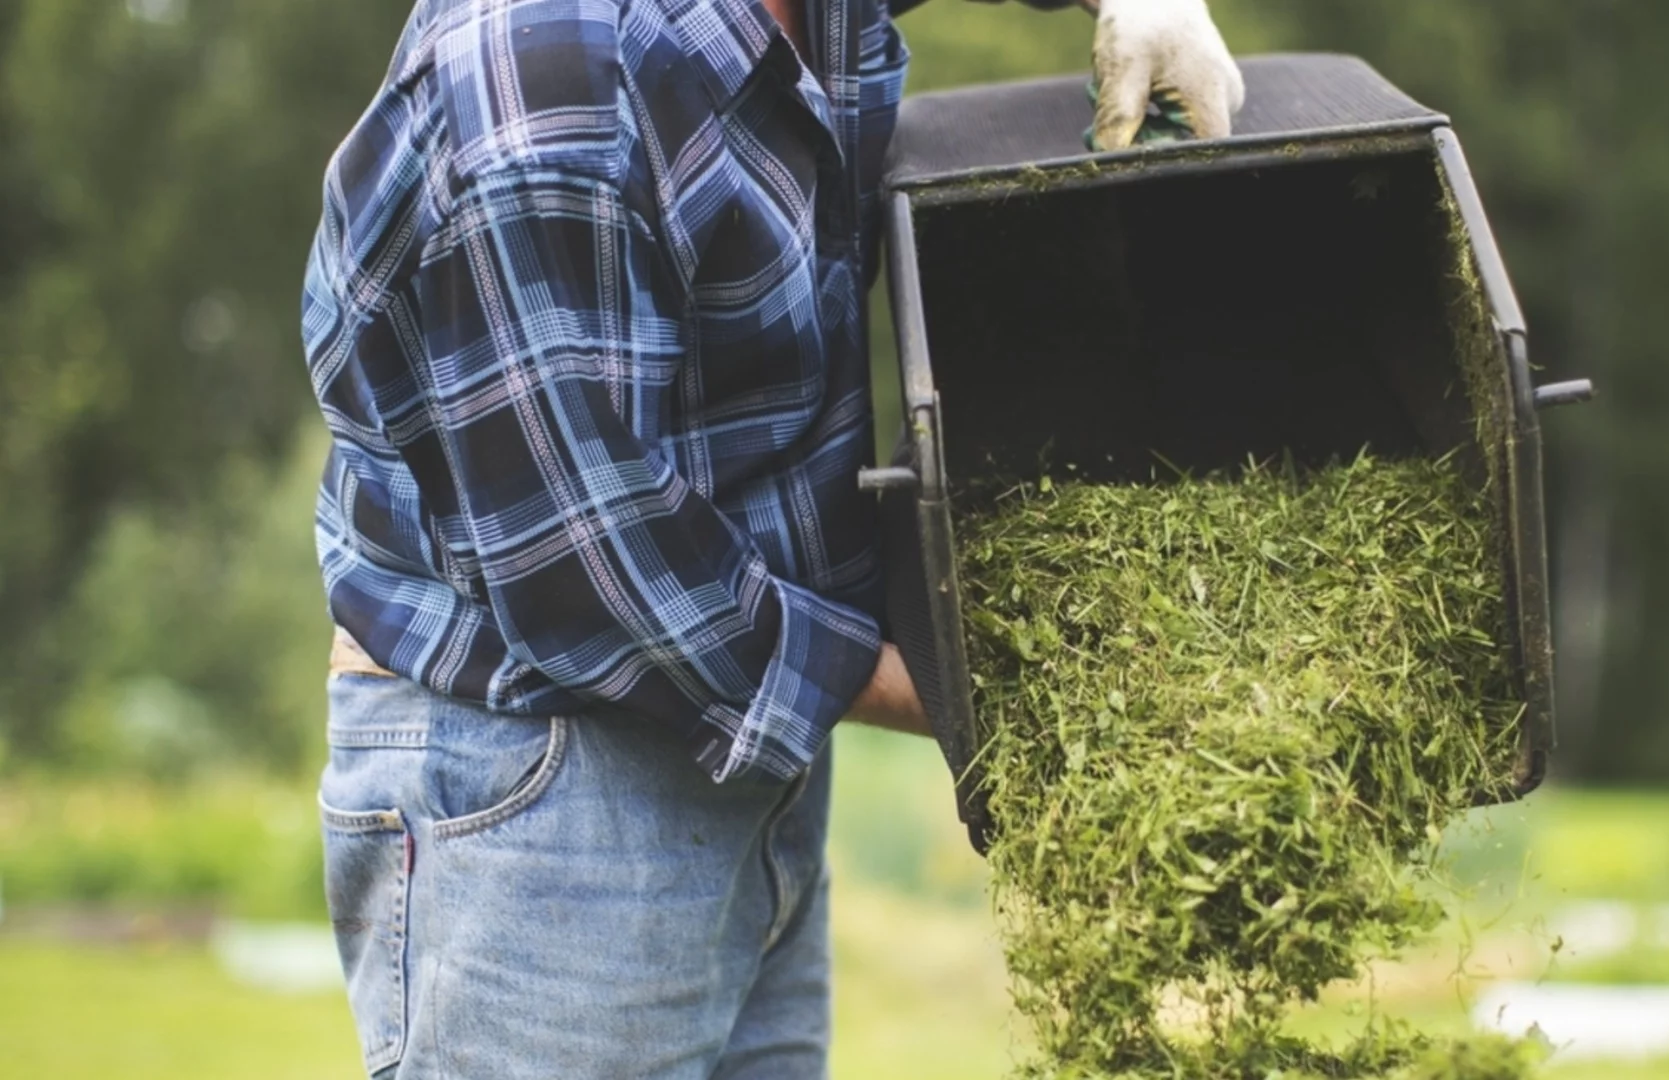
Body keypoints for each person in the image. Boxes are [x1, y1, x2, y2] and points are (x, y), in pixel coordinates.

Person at [300, 0, 1242, 1076]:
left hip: (753, 750)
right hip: (548, 792)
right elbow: (597, 571)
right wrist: (992, 698)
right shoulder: (546, 76)